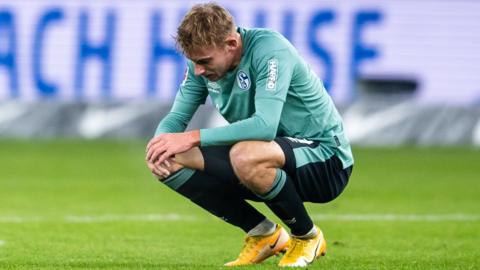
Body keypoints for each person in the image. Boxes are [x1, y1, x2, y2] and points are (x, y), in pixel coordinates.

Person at [145, 2, 353, 267]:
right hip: (267, 156)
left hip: (325, 160)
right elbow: (176, 118)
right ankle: (263, 234)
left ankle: (306, 236)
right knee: (170, 158)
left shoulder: (269, 49)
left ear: (231, 44)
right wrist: (159, 144)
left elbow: (265, 126)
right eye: (194, 61)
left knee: (246, 154)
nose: (198, 70)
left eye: (204, 61)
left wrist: (191, 137)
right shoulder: (202, 62)